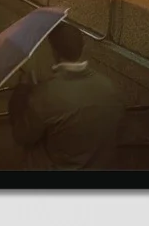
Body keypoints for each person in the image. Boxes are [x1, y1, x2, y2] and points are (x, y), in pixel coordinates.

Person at [7, 19, 125, 170]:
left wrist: (22, 91)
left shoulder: (47, 94)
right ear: (82, 48)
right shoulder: (109, 87)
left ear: (55, 52)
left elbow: (21, 135)